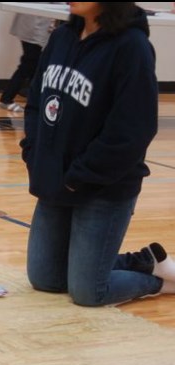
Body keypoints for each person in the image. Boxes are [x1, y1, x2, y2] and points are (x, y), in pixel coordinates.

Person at [21, 2, 175, 306]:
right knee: (45, 279)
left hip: (105, 186)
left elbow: (134, 131)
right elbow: (36, 102)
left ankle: (155, 278)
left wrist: (82, 175)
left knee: (89, 291)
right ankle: (136, 260)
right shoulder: (62, 37)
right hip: (56, 180)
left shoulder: (132, 47)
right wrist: (34, 153)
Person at [0, 10, 57, 113]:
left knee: (33, 66)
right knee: (29, 64)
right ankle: (7, 98)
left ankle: (33, 102)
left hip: (31, 26)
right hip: (34, 27)